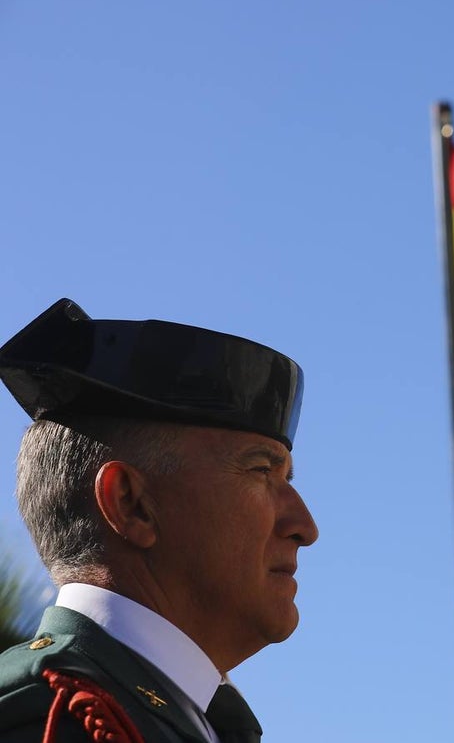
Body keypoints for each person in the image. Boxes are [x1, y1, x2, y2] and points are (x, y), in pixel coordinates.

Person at [0, 299, 319, 743]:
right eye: (261, 471)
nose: (305, 526)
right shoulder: (54, 717)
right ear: (131, 504)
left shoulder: (172, 718)